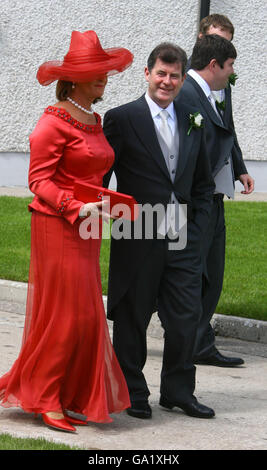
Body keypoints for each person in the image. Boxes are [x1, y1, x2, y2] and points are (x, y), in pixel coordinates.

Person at [0, 30, 133, 433]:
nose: (103, 79)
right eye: (94, 73)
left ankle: (68, 394)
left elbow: (89, 171)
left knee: (87, 315)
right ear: (73, 78)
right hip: (57, 225)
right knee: (66, 315)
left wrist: (106, 201)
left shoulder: (93, 119)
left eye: (105, 72)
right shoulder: (52, 120)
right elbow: (38, 180)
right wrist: (76, 206)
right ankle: (45, 396)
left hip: (88, 225)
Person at [103, 42, 216, 420]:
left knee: (186, 316)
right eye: (161, 74)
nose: (166, 81)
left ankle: (178, 391)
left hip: (182, 233)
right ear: (147, 73)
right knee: (134, 315)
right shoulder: (122, 118)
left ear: (183, 79)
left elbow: (202, 180)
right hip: (137, 231)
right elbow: (101, 178)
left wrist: (197, 228)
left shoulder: (191, 116)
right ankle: (132, 390)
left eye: (174, 76)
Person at [177, 33, 254, 368]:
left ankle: (198, 341)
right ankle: (186, 343)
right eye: (230, 65)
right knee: (191, 275)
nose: (232, 72)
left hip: (215, 195)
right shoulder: (186, 93)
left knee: (213, 273)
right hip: (195, 201)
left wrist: (238, 168)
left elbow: (227, 131)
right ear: (214, 64)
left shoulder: (216, 92)